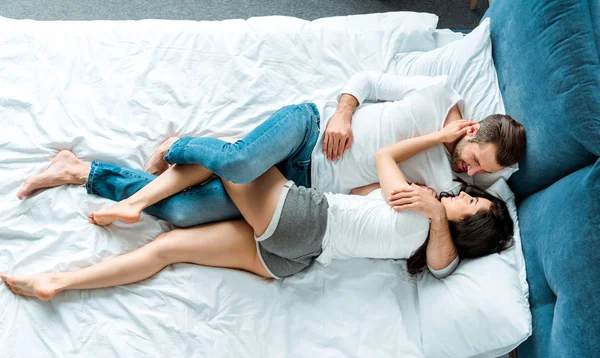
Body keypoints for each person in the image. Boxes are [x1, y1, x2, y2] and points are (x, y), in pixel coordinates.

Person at [16, 72, 526, 271]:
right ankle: (182, 146)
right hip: (309, 132)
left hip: (305, 186)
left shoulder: (441, 192)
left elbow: (376, 190)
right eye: (475, 159)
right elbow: (366, 79)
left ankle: (78, 170)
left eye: (478, 176)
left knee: (182, 211)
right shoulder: (439, 93)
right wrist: (346, 111)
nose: (468, 171)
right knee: (236, 161)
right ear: (475, 129)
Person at [1, 121, 514, 300]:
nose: (460, 192)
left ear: (468, 225)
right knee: (169, 246)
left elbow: (384, 157)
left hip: (302, 221)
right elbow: (441, 264)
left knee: (232, 157)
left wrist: (430, 202)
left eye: (468, 201)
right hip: (295, 258)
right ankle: (56, 283)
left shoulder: (420, 215)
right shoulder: (424, 240)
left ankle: (172, 149)